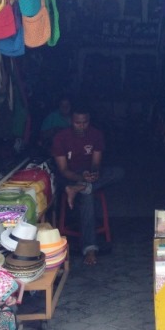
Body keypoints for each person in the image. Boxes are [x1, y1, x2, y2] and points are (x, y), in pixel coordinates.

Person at [51, 102, 124, 266]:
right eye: (78, 122)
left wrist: (93, 173)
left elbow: (96, 163)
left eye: (84, 122)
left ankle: (78, 188)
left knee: (118, 172)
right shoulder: (61, 138)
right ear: (71, 120)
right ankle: (90, 249)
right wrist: (79, 177)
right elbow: (63, 169)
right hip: (69, 176)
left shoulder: (96, 135)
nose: (81, 126)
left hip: (87, 175)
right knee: (88, 195)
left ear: (89, 121)